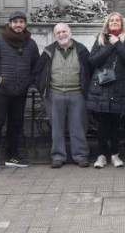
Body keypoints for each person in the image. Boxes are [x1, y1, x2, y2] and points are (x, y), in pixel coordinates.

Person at [0, 11, 39, 171]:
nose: (18, 25)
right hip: (1, 90)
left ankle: (12, 156)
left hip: (20, 91)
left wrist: (28, 82)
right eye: (15, 22)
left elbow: (36, 65)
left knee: (16, 123)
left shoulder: (31, 43)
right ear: (9, 24)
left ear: (25, 24)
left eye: (21, 22)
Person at [35, 23, 91, 168]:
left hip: (77, 94)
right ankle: (58, 156)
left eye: (64, 31)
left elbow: (89, 70)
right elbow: (38, 71)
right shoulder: (48, 51)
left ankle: (80, 155)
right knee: (57, 127)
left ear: (70, 32)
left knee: (78, 126)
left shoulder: (81, 50)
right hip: (55, 94)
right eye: (58, 32)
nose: (61, 34)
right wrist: (43, 90)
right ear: (55, 35)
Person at [87, 12, 125, 169]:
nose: (114, 22)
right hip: (102, 86)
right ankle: (101, 155)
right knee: (102, 124)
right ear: (107, 24)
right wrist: (110, 45)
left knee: (115, 123)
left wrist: (118, 44)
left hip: (119, 87)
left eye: (117, 21)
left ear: (122, 24)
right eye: (112, 20)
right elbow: (93, 61)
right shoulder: (101, 39)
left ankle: (115, 154)